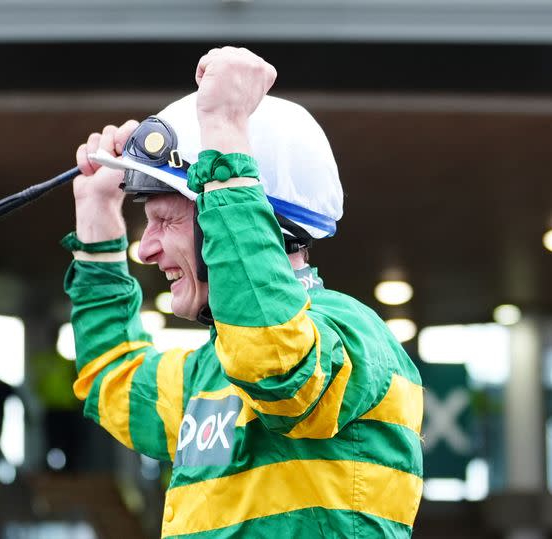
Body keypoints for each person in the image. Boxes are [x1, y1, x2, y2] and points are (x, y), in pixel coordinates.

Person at [62, 47, 423, 538]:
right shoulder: (210, 368)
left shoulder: (355, 334)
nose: (145, 250)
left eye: (166, 220)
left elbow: (277, 368)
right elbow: (113, 381)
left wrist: (226, 134)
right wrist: (98, 213)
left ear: (247, 216)